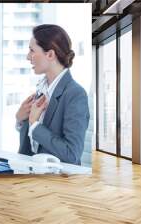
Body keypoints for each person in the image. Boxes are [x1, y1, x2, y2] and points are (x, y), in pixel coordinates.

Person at [15, 24, 90, 165]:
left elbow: (72, 154)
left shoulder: (75, 94)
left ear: (50, 54)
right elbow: (31, 148)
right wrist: (20, 119)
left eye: (32, 50)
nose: (27, 57)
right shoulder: (41, 89)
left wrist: (35, 125)